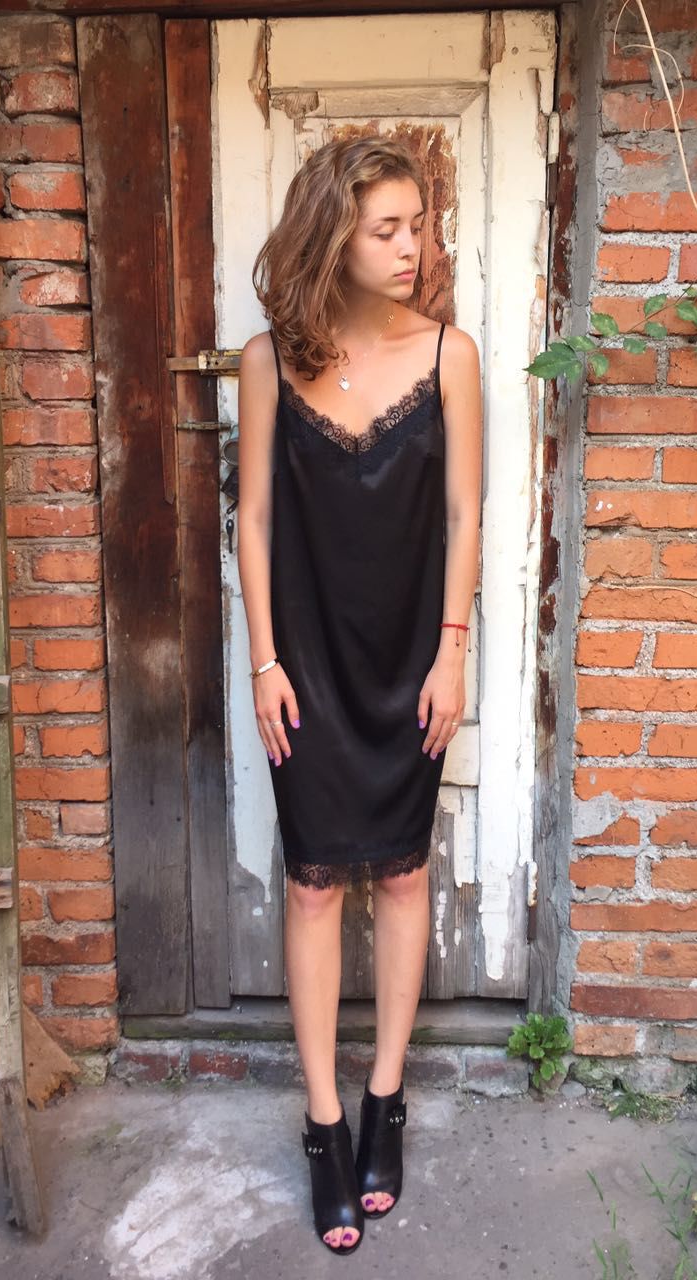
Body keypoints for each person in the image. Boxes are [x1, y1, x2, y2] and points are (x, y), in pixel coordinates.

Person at [235, 136, 482, 1256]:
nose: (409, 247)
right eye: (386, 229)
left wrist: (452, 651)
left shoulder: (449, 356)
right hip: (307, 662)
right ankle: (324, 1122)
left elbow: (465, 517)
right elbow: (251, 521)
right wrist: (264, 660)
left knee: (403, 870)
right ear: (332, 236)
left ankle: (386, 1099)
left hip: (409, 659)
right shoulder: (266, 362)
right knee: (312, 887)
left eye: (416, 226)